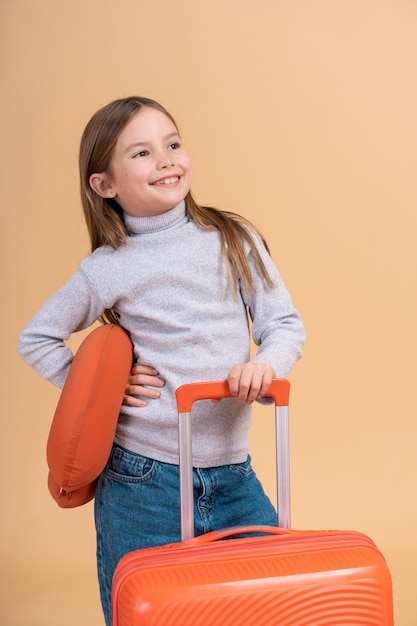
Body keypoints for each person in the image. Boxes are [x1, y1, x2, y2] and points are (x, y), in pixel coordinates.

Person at [18, 96, 305, 625]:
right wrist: (102, 391)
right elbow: (36, 338)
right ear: (104, 184)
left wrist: (266, 366)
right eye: (143, 153)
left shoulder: (232, 239)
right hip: (142, 480)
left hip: (232, 474)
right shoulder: (108, 267)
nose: (167, 160)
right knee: (148, 611)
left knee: (265, 603)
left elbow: (283, 325)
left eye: (173, 144)